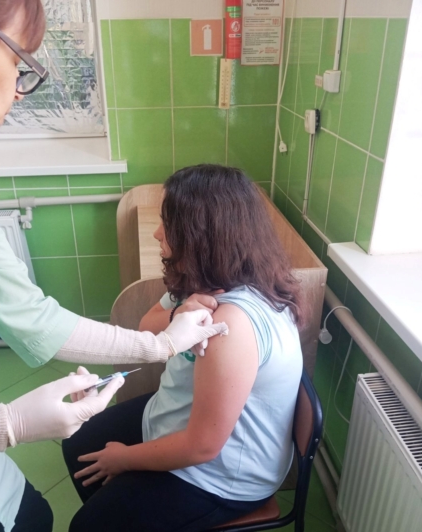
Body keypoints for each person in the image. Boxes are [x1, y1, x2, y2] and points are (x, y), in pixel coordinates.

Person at [0, 2, 227, 531]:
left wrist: (160, 346)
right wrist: (7, 424)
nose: (20, 94)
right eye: (21, 65)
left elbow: (34, 316)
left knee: (36, 514)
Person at [63, 164, 305, 532]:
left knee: (87, 525)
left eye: (168, 224)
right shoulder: (204, 281)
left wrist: (125, 459)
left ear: (200, 235)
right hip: (177, 416)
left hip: (220, 476)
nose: (157, 233)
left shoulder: (232, 323)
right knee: (78, 445)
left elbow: (202, 447)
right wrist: (180, 312)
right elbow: (147, 326)